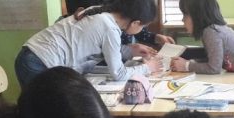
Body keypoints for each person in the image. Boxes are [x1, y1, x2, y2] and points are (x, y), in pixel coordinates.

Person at [15, 0, 162, 87]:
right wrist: (147, 67)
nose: (142, 29)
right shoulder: (110, 28)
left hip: (32, 55)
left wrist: (130, 50)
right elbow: (119, 74)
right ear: (135, 22)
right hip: (39, 61)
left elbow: (99, 45)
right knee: (41, 112)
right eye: (143, 26)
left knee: (38, 111)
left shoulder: (100, 13)